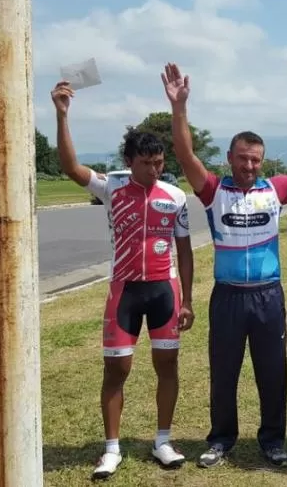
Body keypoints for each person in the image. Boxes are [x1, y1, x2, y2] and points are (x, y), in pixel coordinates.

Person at [161, 61, 287, 469]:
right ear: (229, 157)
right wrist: (179, 108)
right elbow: (184, 155)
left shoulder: (276, 188)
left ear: (263, 161)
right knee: (224, 372)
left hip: (268, 295)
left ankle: (273, 440)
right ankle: (221, 439)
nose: (249, 166)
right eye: (242, 159)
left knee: (273, 371)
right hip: (228, 297)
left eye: (255, 160)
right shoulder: (213, 190)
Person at [50, 81, 196, 479]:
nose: (154, 169)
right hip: (125, 290)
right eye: (146, 163)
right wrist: (62, 116)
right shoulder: (111, 186)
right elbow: (71, 167)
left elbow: (185, 251)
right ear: (129, 161)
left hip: (164, 291)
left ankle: (163, 440)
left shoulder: (175, 196)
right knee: (117, 369)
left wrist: (187, 300)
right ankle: (112, 448)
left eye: (159, 162)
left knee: (168, 365)